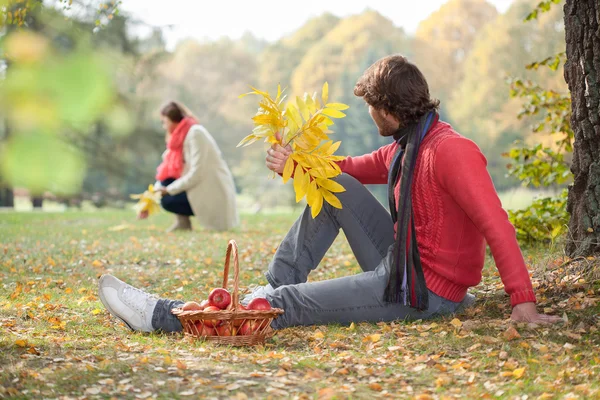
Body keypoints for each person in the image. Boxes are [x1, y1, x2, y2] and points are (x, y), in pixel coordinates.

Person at [99, 55, 561, 333]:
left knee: (295, 306)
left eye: (369, 107)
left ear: (386, 110)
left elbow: (495, 223)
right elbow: (345, 170)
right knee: (333, 187)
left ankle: (163, 315)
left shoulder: (451, 152)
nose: (369, 115)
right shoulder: (408, 147)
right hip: (403, 263)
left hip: (423, 290)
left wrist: (523, 301)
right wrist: (293, 163)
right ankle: (271, 286)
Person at [152, 101, 238, 232]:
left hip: (210, 192)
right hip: (198, 189)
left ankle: (184, 222)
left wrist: (168, 190)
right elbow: (168, 166)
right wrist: (160, 187)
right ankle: (182, 222)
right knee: (167, 181)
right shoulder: (180, 137)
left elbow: (197, 173)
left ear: (173, 120)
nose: (164, 126)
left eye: (164, 122)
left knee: (167, 199)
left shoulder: (195, 133)